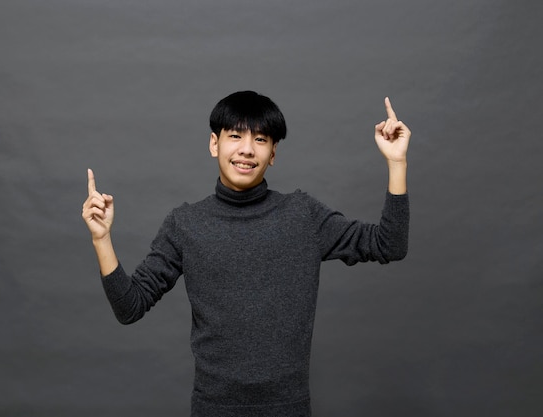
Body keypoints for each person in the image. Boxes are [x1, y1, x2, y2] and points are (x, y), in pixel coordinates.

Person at [81, 91, 411, 417]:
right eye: (235, 136)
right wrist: (102, 239)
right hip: (214, 408)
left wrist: (396, 163)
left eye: (261, 139)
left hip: (289, 408)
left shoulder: (302, 216)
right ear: (215, 144)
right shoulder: (185, 224)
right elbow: (129, 307)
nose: (247, 150)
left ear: (273, 153)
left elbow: (388, 244)